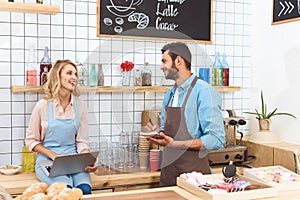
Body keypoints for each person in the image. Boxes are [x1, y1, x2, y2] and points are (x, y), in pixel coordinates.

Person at [144, 42, 225, 186]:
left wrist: (175, 144)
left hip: (194, 177)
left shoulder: (204, 91)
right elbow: (168, 130)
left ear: (178, 61)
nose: (161, 66)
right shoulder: (169, 94)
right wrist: (157, 132)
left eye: (164, 61)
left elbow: (216, 139)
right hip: (168, 173)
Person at [25, 59, 98, 194]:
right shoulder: (42, 105)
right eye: (69, 73)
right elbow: (31, 141)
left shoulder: (80, 106)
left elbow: (81, 141)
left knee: (85, 190)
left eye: (76, 74)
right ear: (57, 76)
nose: (74, 78)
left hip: (73, 161)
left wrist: (87, 159)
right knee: (66, 191)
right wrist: (54, 155)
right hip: (48, 161)